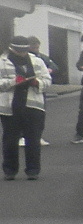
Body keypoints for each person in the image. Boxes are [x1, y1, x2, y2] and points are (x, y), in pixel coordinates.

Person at [3, 36, 51, 180]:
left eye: (24, 50)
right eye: (19, 51)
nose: (22, 53)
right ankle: (10, 171)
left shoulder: (37, 61)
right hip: (10, 106)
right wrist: (13, 82)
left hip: (33, 105)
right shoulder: (2, 62)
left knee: (33, 139)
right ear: (12, 49)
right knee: (10, 140)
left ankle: (33, 170)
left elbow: (47, 80)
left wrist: (37, 83)